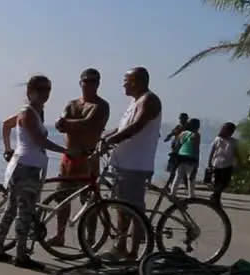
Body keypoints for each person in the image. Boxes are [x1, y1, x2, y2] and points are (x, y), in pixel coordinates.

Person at [0, 75, 68, 269]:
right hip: (26, 167)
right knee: (23, 211)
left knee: (13, 208)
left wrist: (9, 148)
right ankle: (20, 254)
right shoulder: (27, 113)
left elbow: (7, 125)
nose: (45, 93)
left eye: (48, 89)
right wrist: (66, 151)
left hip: (27, 165)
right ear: (30, 92)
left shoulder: (35, 112)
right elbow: (39, 141)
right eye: (41, 89)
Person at [99, 67, 163, 259]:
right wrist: (105, 136)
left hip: (136, 164)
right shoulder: (134, 102)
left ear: (136, 81)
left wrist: (113, 140)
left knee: (134, 209)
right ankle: (120, 246)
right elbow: (123, 126)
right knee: (122, 207)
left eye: (126, 81)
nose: (123, 85)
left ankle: (135, 252)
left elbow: (137, 126)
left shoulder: (149, 100)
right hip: (122, 162)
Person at [48, 68, 110, 246]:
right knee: (62, 198)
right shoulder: (72, 103)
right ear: (80, 83)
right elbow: (61, 124)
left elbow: (89, 123)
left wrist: (68, 124)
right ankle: (60, 235)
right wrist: (68, 124)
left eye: (93, 81)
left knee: (90, 202)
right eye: (86, 81)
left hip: (88, 159)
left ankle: (90, 240)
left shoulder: (101, 105)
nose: (89, 84)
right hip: (68, 159)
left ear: (98, 84)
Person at [206, 122, 239, 207]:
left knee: (225, 183)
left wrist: (238, 162)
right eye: (229, 130)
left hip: (227, 164)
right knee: (218, 183)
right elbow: (212, 151)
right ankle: (216, 200)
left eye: (232, 131)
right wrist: (209, 163)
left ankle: (215, 196)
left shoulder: (234, 141)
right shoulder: (217, 139)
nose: (231, 132)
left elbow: (236, 153)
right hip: (217, 163)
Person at [168, 117, 201, 198]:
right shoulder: (196, 135)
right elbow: (196, 149)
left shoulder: (183, 133)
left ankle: (173, 193)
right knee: (191, 177)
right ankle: (191, 195)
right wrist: (197, 162)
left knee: (178, 176)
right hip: (190, 157)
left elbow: (177, 145)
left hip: (181, 156)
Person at [163, 112, 189, 181]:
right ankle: (170, 184)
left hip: (182, 151)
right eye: (180, 118)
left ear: (186, 119)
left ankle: (167, 185)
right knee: (174, 168)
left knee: (176, 168)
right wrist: (168, 137)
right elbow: (172, 133)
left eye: (182, 118)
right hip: (175, 150)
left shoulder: (187, 128)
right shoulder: (178, 126)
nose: (181, 120)